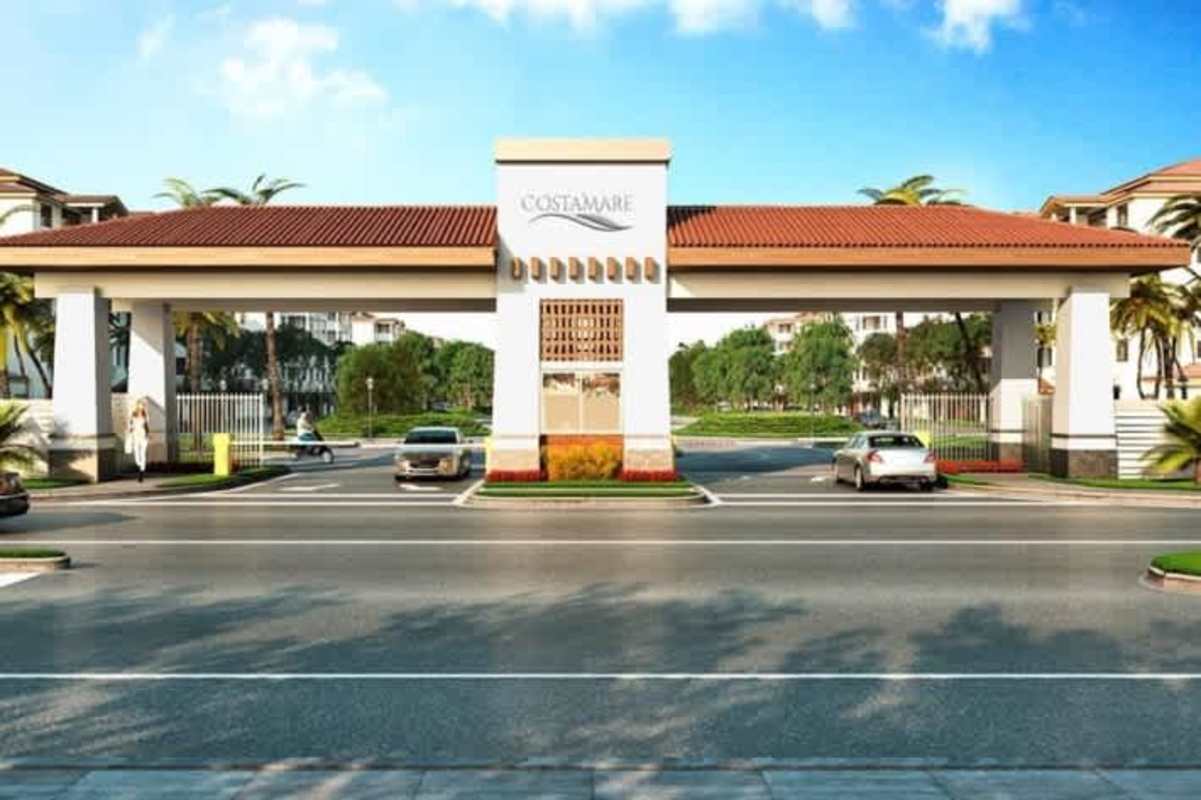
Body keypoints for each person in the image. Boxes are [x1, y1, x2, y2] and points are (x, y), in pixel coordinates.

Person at [127, 398, 151, 482]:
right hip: (136, 437)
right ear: (137, 406)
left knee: (143, 454)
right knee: (137, 456)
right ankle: (140, 466)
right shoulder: (133, 415)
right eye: (140, 406)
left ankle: (141, 472)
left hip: (143, 437)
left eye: (143, 406)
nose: (142, 408)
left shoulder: (146, 416)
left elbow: (147, 426)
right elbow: (130, 425)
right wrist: (130, 430)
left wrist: (148, 435)